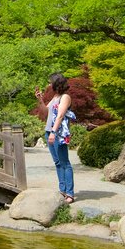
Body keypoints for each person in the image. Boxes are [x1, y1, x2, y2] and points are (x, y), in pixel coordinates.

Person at [38, 73, 75, 203]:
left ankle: (70, 194)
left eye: (50, 82)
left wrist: (53, 132)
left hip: (58, 133)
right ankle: (62, 190)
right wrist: (40, 100)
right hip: (49, 131)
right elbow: (45, 112)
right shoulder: (55, 97)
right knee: (58, 163)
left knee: (65, 163)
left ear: (56, 83)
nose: (49, 84)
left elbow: (59, 116)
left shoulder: (65, 97)